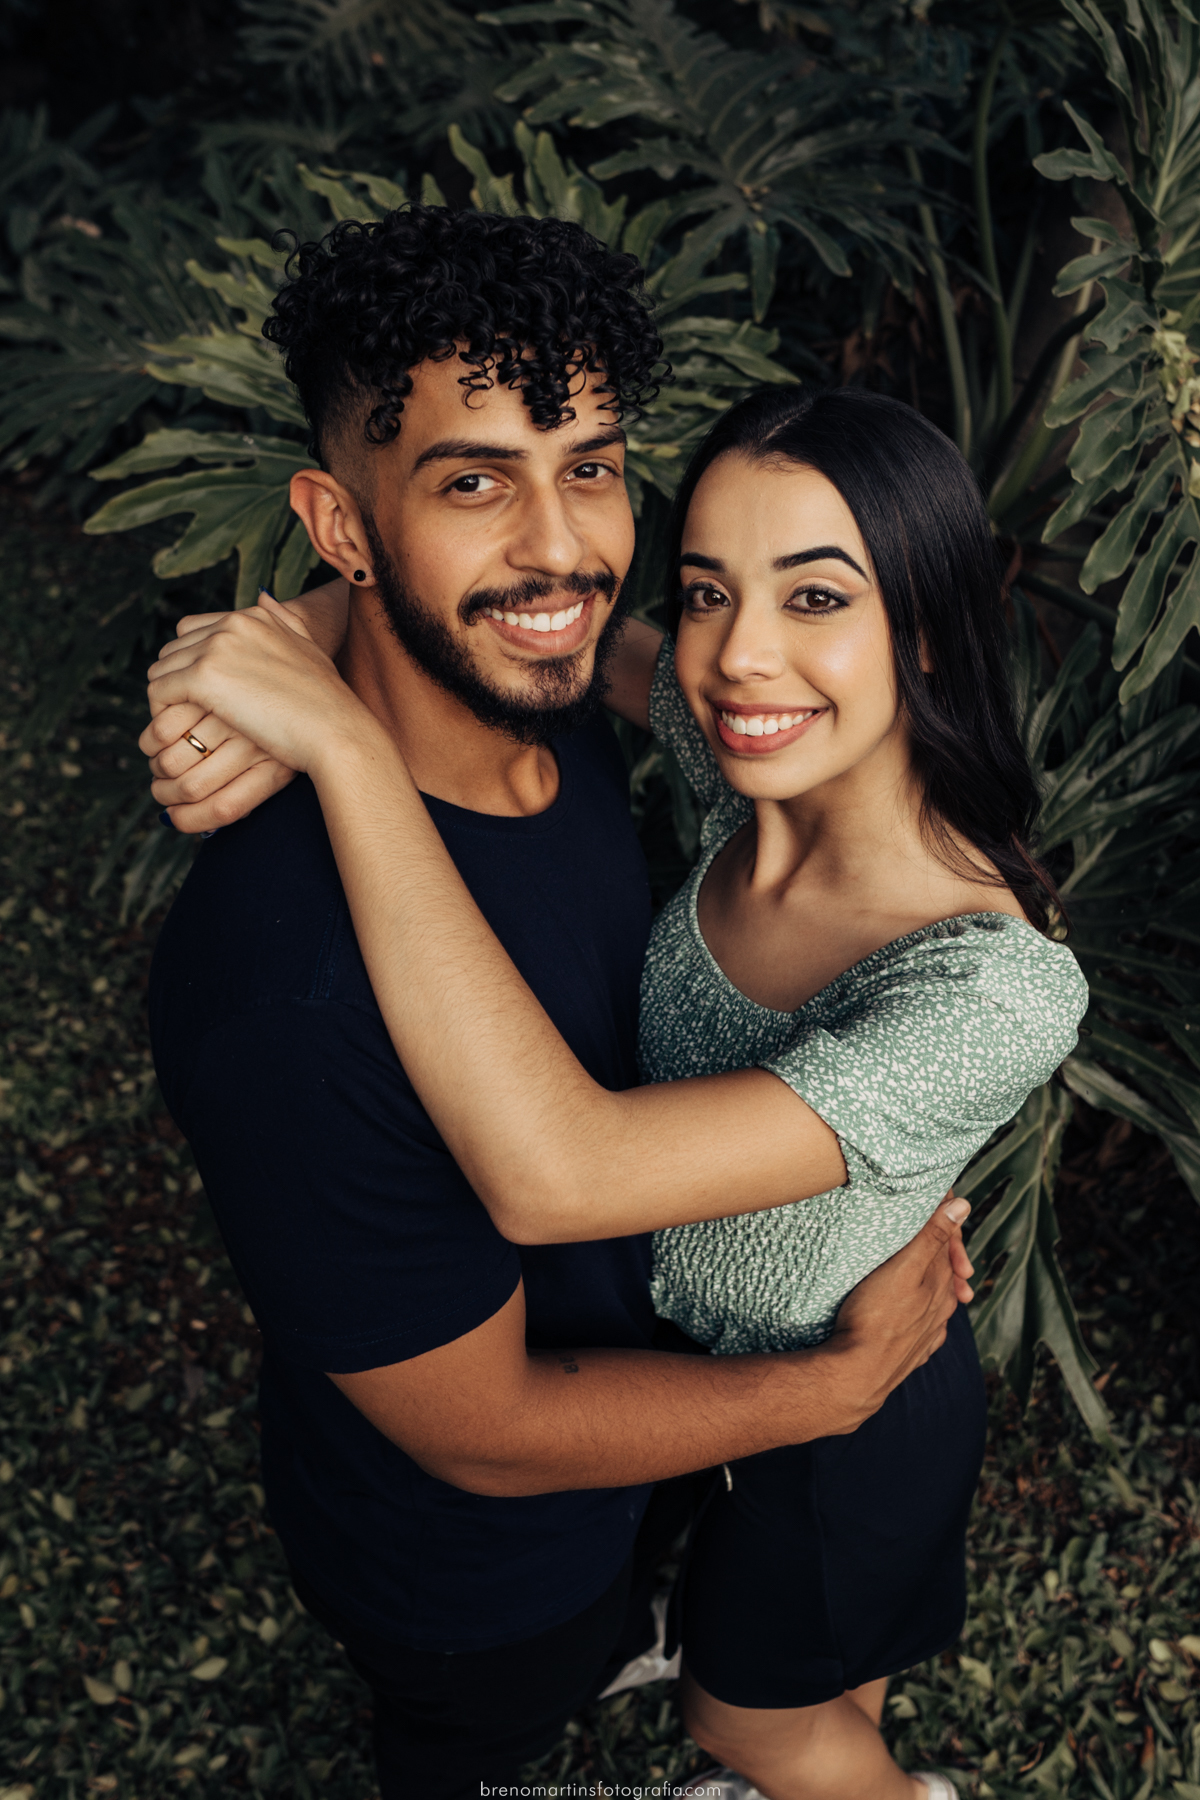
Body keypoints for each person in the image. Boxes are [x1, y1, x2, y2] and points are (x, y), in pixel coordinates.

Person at [147, 369, 1088, 1797]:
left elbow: (556, 1172)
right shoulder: (744, 772)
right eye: (712, 591)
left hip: (850, 1407)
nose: (738, 658)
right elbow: (541, 635)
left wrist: (340, 744)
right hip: (702, 1375)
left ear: (935, 628)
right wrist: (290, 630)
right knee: (778, 1649)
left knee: (758, 1722)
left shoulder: (987, 987)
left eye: (819, 598)